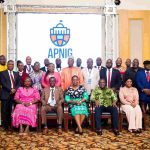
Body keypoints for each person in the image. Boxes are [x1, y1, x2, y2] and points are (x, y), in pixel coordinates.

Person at [0, 60, 20, 130]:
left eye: (12, 64)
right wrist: (10, 89)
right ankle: (4, 125)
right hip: (5, 94)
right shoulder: (2, 73)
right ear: (7, 65)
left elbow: (18, 83)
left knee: (12, 110)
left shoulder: (16, 73)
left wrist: (15, 89)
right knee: (4, 110)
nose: (11, 65)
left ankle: (10, 125)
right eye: (10, 64)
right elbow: (3, 83)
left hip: (14, 95)